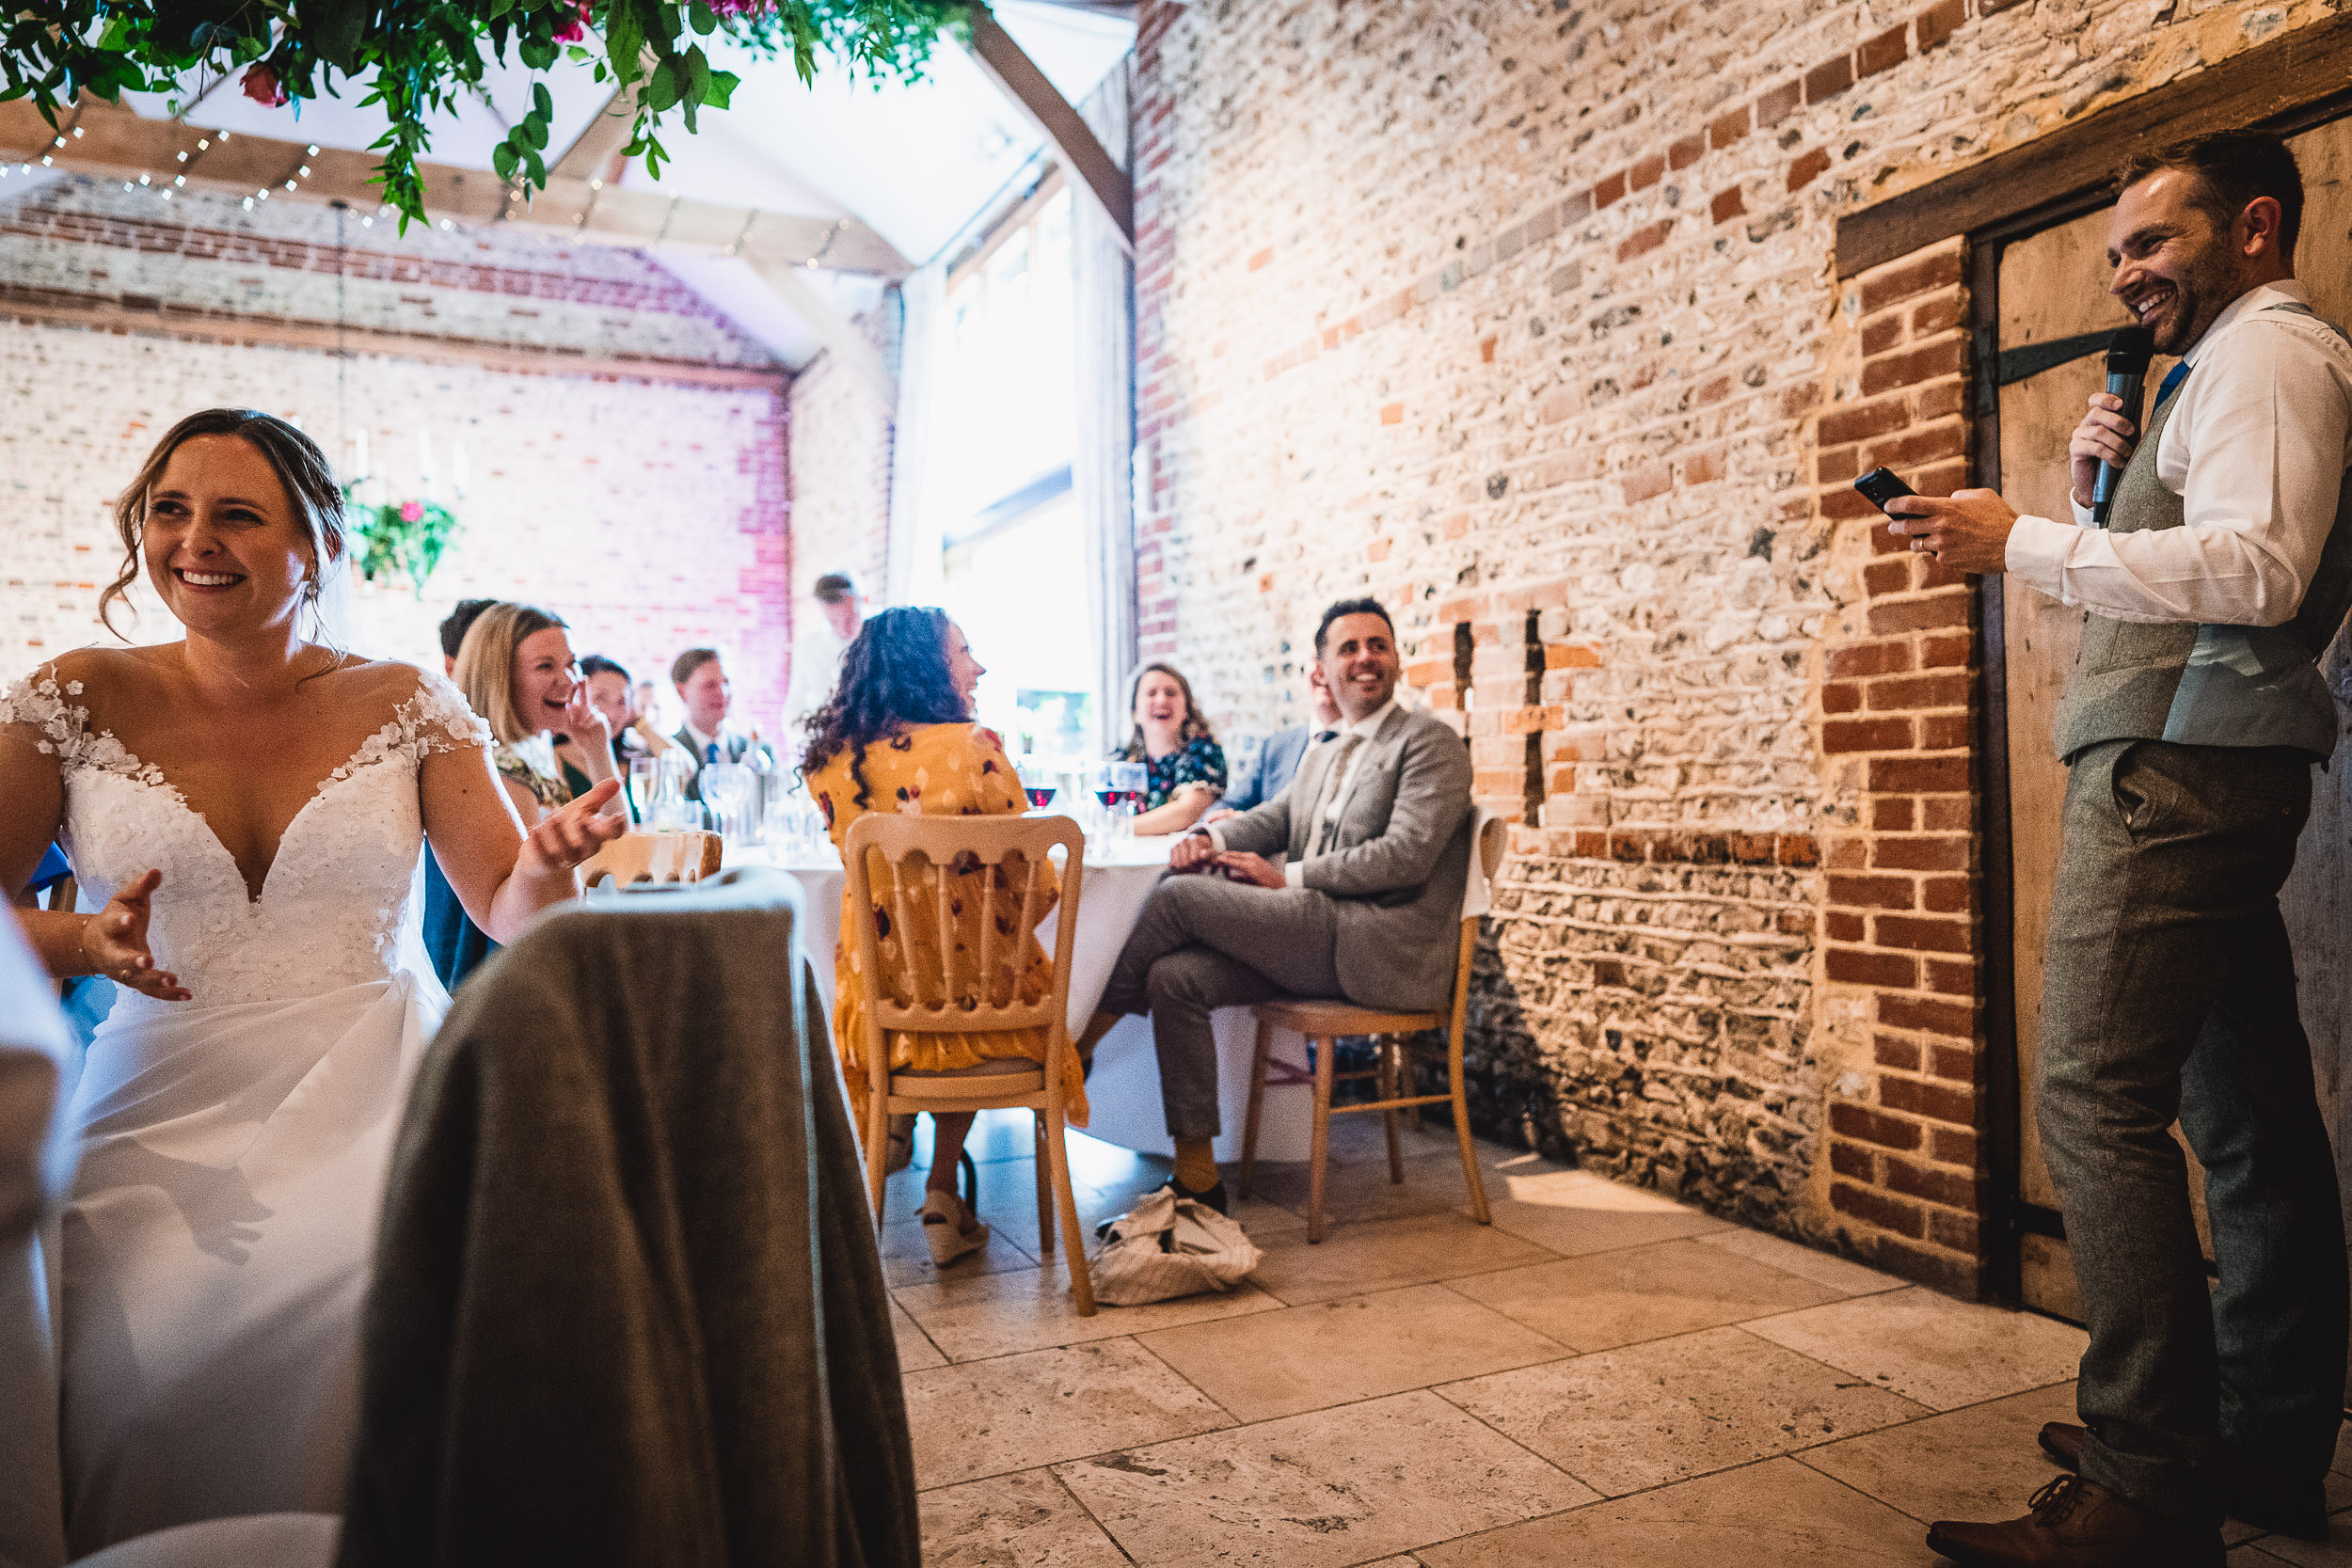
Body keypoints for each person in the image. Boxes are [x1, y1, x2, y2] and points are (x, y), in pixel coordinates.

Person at [0, 408, 623, 1556]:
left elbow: (506, 906)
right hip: (155, 1095)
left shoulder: (404, 703)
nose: (196, 539)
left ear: (320, 544)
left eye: (239, 513)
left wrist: (542, 865)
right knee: (128, 1380)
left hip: (379, 1078)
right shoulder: (71, 698)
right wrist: (85, 944)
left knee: (403, 1312)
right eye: (170, 509)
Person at [1893, 132, 2352, 1568]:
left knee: (2094, 1093)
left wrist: (2027, 538)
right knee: (2250, 1114)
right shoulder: (2204, 374)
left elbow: (2263, 569)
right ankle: (2259, 1444)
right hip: (2197, 758)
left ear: (2255, 227)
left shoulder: (2272, 353)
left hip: (2180, 765)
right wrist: (2100, 490)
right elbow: (2193, 559)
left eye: (2155, 242)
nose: (2130, 274)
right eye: (2117, 255)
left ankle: (2147, 1480)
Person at [1078, 598, 1472, 1212]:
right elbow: (1277, 815)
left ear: (1395, 658)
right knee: (1173, 977)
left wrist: (1284, 876)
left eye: (1377, 645)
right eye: (1349, 648)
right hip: (1315, 937)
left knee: (1178, 897)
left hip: (1375, 945)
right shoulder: (1329, 746)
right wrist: (1208, 839)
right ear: (1324, 666)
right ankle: (1198, 1175)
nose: (1365, 657)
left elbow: (1406, 856)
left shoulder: (1429, 741)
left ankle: (1076, 1047)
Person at [800, 607, 1085, 1266]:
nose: (978, 667)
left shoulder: (831, 764)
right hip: (994, 1014)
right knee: (980, 986)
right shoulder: (977, 748)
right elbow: (1034, 886)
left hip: (877, 1012)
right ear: (928, 665)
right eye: (965, 653)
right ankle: (940, 1184)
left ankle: (908, 1159)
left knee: (930, 991)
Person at [425, 604, 624, 992]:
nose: (568, 679)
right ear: (499, 678)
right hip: (490, 969)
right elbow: (529, 900)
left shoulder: (535, 748)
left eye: (571, 664)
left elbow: (621, 841)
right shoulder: (498, 767)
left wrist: (598, 750)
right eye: (545, 667)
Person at [1206, 662, 1341, 821]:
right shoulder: (1276, 746)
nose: (1321, 671)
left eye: (1331, 659)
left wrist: (1248, 825)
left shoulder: (1369, 746)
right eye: (1316, 657)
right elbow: (1231, 803)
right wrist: (1211, 826)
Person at [1114, 662, 1228, 836]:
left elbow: (1188, 811)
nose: (1161, 700)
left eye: (1171, 693)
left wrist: (1121, 827)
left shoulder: (1203, 750)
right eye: (1151, 693)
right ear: (1135, 711)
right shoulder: (1124, 758)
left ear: (1187, 709)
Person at [670, 647, 772, 801]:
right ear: (681, 691)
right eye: (710, 685)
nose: (722, 693)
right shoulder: (666, 754)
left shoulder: (760, 753)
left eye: (726, 683)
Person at [780, 571, 866, 750]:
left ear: (860, 601)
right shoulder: (808, 646)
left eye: (850, 619)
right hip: (827, 748)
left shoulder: (879, 638)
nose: (844, 629)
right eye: (834, 621)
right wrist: (819, 731)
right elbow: (791, 714)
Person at [580, 653, 675, 772]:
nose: (612, 714)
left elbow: (682, 771)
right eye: (600, 698)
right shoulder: (556, 756)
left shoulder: (632, 757)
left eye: (622, 702)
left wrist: (642, 725)